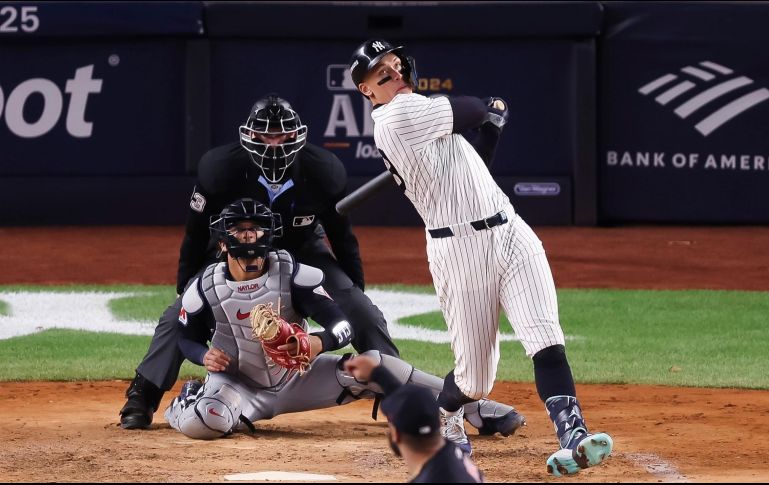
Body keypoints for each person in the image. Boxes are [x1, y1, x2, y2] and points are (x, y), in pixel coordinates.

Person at [349, 39, 614, 476]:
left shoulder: (422, 117)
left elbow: (474, 175)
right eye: (382, 73)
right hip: (459, 251)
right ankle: (446, 412)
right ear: (367, 91)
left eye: (396, 65)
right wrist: (489, 110)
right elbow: (469, 108)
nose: (394, 74)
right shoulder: (397, 115)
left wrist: (490, 130)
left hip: (510, 232)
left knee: (545, 338)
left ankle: (574, 434)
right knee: (474, 381)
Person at [119, 93, 399, 430]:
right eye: (266, 136)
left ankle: (397, 392)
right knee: (175, 315)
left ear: (298, 136)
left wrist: (353, 292)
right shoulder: (219, 168)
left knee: (361, 310)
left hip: (303, 250)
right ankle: (143, 394)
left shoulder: (324, 171)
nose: (274, 145)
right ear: (249, 136)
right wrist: (188, 288)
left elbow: (342, 236)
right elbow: (195, 234)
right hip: (236, 252)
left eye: (282, 136)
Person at [164, 198, 522, 447]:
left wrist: (316, 342)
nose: (249, 237)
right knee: (208, 422)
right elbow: (185, 337)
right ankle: (185, 405)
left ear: (267, 234)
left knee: (375, 365)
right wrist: (202, 356)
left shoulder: (292, 274)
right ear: (224, 241)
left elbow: (342, 325)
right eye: (241, 231)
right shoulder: (205, 286)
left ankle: (473, 407)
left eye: (255, 230)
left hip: (298, 378)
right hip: (238, 386)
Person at [345, 354, 483, 483]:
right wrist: (378, 374)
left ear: (396, 435)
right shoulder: (450, 454)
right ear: (440, 423)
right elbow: (413, 403)